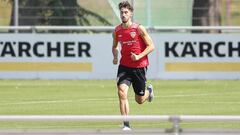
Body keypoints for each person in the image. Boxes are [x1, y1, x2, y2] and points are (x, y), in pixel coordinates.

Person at [112, 0, 155, 130]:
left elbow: (151, 46)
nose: (123, 14)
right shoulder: (117, 31)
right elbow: (114, 46)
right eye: (121, 12)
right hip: (124, 67)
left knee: (140, 100)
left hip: (139, 67)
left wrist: (139, 56)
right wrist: (115, 56)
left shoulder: (139, 29)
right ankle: (126, 124)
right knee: (122, 92)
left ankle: (149, 92)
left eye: (126, 12)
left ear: (131, 14)